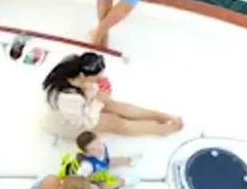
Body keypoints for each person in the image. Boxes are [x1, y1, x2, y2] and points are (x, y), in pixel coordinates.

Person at [39, 51, 182, 139]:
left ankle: (160, 116)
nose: (100, 79)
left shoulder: (74, 72)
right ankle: (160, 129)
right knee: (114, 122)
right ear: (83, 75)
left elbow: (92, 91)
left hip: (83, 103)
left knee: (115, 105)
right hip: (71, 124)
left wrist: (98, 96)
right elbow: (85, 122)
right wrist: (96, 101)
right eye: (96, 77)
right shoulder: (67, 98)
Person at [57, 128, 130, 189]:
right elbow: (80, 179)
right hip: (88, 179)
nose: (99, 149)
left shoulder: (101, 147)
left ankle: (128, 160)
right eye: (93, 149)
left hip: (99, 170)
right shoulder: (87, 165)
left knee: (109, 161)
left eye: (98, 143)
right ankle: (122, 182)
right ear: (87, 154)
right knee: (101, 187)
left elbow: (106, 159)